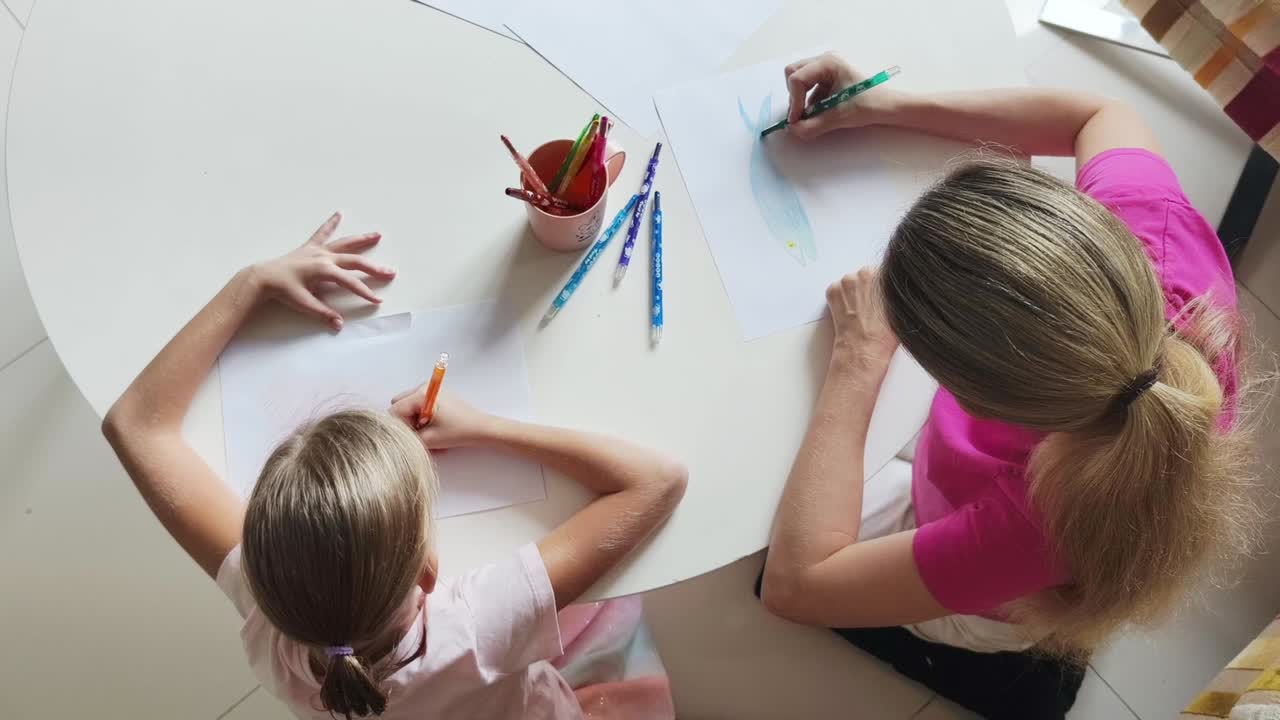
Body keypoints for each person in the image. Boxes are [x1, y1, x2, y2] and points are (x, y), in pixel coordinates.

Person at [760, 54, 1258, 665]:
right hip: (1024, 508)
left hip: (992, 601)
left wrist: (860, 358)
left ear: (967, 398)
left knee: (774, 497)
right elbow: (1102, 113)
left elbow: (796, 585)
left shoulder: (1037, 522)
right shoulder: (1151, 238)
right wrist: (884, 104)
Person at [102, 213, 687, 719]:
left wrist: (250, 283)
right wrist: (487, 428)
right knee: (614, 598)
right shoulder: (475, 629)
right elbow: (657, 481)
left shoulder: (268, 617)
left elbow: (136, 426)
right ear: (428, 572)